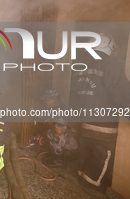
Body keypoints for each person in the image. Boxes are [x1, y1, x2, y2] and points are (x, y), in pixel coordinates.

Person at [70, 33, 130, 192]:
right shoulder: (112, 65)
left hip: (83, 121)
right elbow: (122, 94)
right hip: (103, 125)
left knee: (86, 148)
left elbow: (75, 94)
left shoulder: (79, 65)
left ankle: (81, 175)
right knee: (103, 154)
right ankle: (92, 185)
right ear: (110, 48)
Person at [40, 89, 77, 168]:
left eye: (47, 100)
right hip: (70, 138)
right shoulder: (58, 108)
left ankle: (59, 160)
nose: (44, 102)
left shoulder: (61, 110)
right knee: (49, 132)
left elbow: (59, 131)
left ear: (54, 100)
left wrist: (48, 122)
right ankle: (64, 154)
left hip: (73, 143)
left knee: (52, 133)